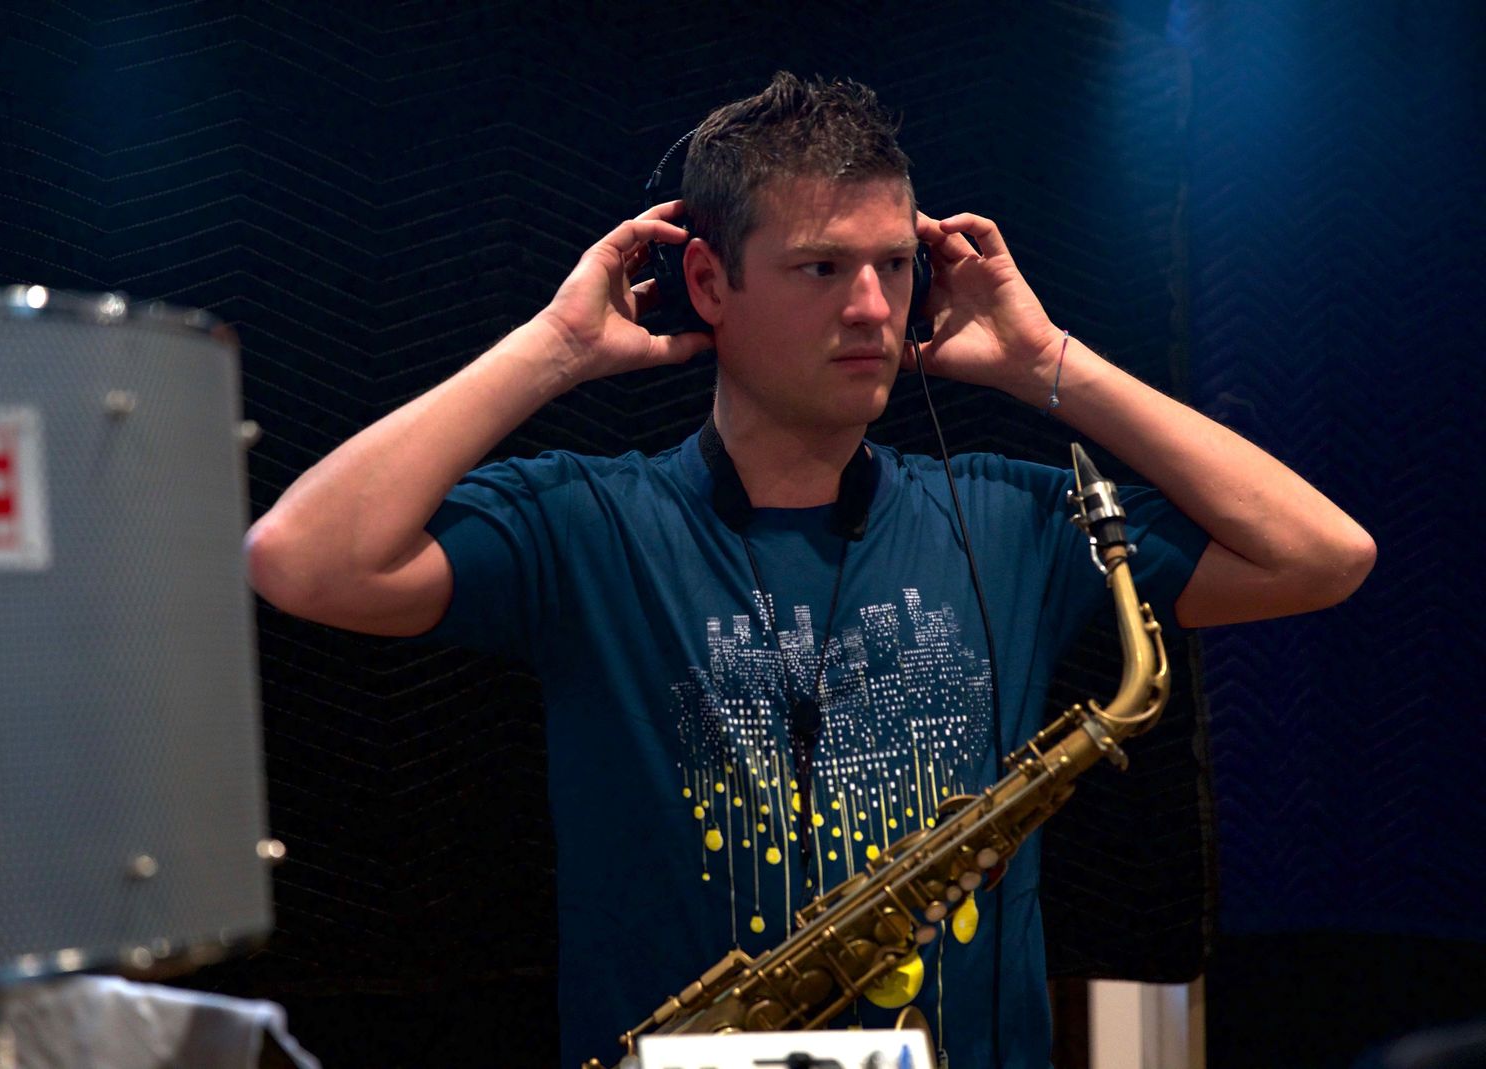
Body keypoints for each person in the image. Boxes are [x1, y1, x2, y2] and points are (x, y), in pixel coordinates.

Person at [245, 73, 1375, 1069]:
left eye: (895, 265)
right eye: (821, 267)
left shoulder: (1012, 516)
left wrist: (1046, 361)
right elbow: (301, 558)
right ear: (707, 281)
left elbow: (1322, 554)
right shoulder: (586, 522)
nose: (873, 307)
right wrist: (555, 349)